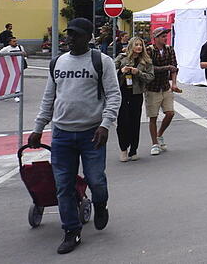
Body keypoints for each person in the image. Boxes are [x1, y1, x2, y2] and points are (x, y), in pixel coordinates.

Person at [29, 17, 120, 254]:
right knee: (63, 185)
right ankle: (71, 231)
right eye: (69, 33)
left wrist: (105, 124)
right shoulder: (57, 62)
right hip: (62, 134)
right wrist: (38, 128)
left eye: (76, 34)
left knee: (96, 179)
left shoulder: (102, 61)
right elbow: (49, 98)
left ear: (88, 37)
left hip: (92, 133)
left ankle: (100, 203)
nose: (70, 38)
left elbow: (114, 95)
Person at [114, 37, 154, 162]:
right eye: (136, 44)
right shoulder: (122, 57)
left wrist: (138, 73)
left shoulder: (146, 60)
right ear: (131, 46)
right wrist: (121, 71)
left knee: (135, 122)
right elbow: (109, 72)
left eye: (140, 45)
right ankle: (123, 149)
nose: (139, 47)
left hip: (136, 94)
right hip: (122, 92)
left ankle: (133, 149)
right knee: (123, 122)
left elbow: (150, 77)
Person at [145, 27, 180, 156]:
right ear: (156, 38)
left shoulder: (170, 49)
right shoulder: (149, 50)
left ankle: (159, 134)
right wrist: (166, 67)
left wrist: (174, 84)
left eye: (166, 36)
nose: (165, 38)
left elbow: (174, 67)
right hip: (152, 87)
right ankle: (154, 143)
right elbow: (149, 68)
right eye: (162, 36)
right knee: (153, 117)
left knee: (170, 113)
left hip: (165, 86)